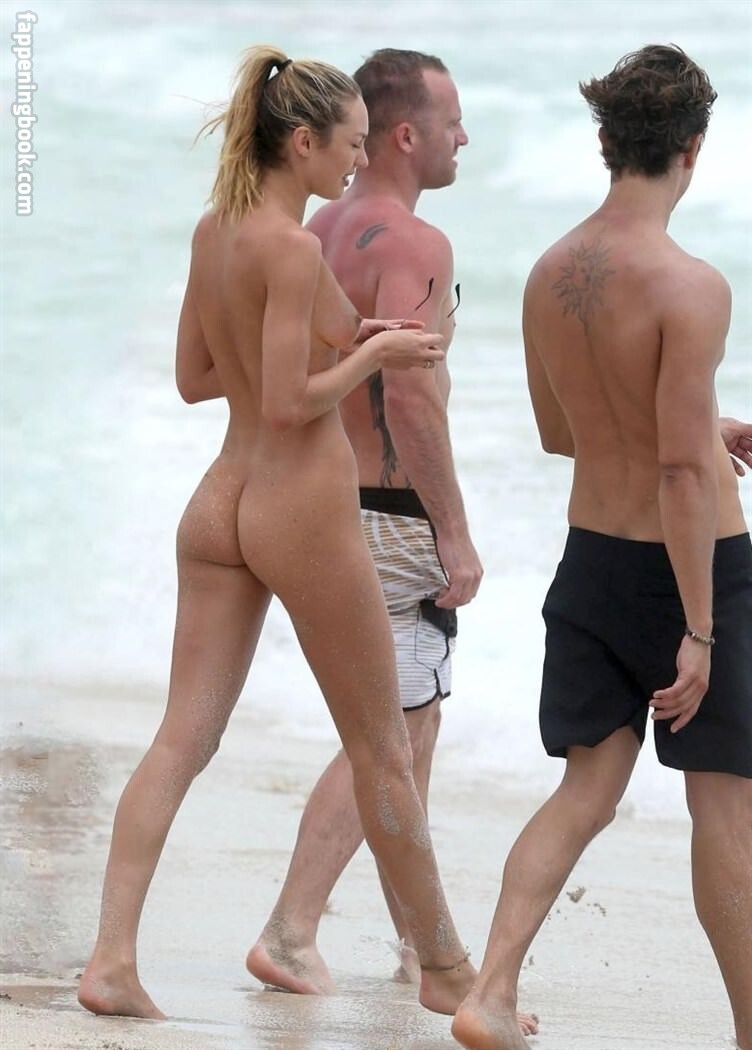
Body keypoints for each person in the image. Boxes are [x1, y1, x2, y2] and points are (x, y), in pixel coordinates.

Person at [77, 44, 479, 1022]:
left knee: (181, 738)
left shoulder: (217, 231)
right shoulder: (291, 248)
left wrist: (366, 337)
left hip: (220, 499)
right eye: (347, 146)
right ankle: (449, 972)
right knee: (382, 749)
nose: (356, 163)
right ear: (301, 141)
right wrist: (370, 364)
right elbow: (295, 402)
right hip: (297, 505)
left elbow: (195, 378)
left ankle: (111, 962)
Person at [452, 44, 752, 1050]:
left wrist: (700, 427)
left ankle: (490, 991)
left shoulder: (547, 274)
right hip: (691, 572)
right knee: (726, 811)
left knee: (584, 789)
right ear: (692, 148)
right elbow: (679, 479)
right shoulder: (690, 285)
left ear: (604, 143)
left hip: (591, 560)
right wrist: (700, 631)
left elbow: (562, 432)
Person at [247, 44, 491, 997]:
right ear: (407, 135)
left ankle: (415, 942)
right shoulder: (415, 243)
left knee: (406, 729)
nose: (463, 136)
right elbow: (413, 396)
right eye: (451, 121)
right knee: (389, 736)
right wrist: (453, 533)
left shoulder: (320, 224)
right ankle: (292, 929)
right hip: (392, 513)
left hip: (320, 498)